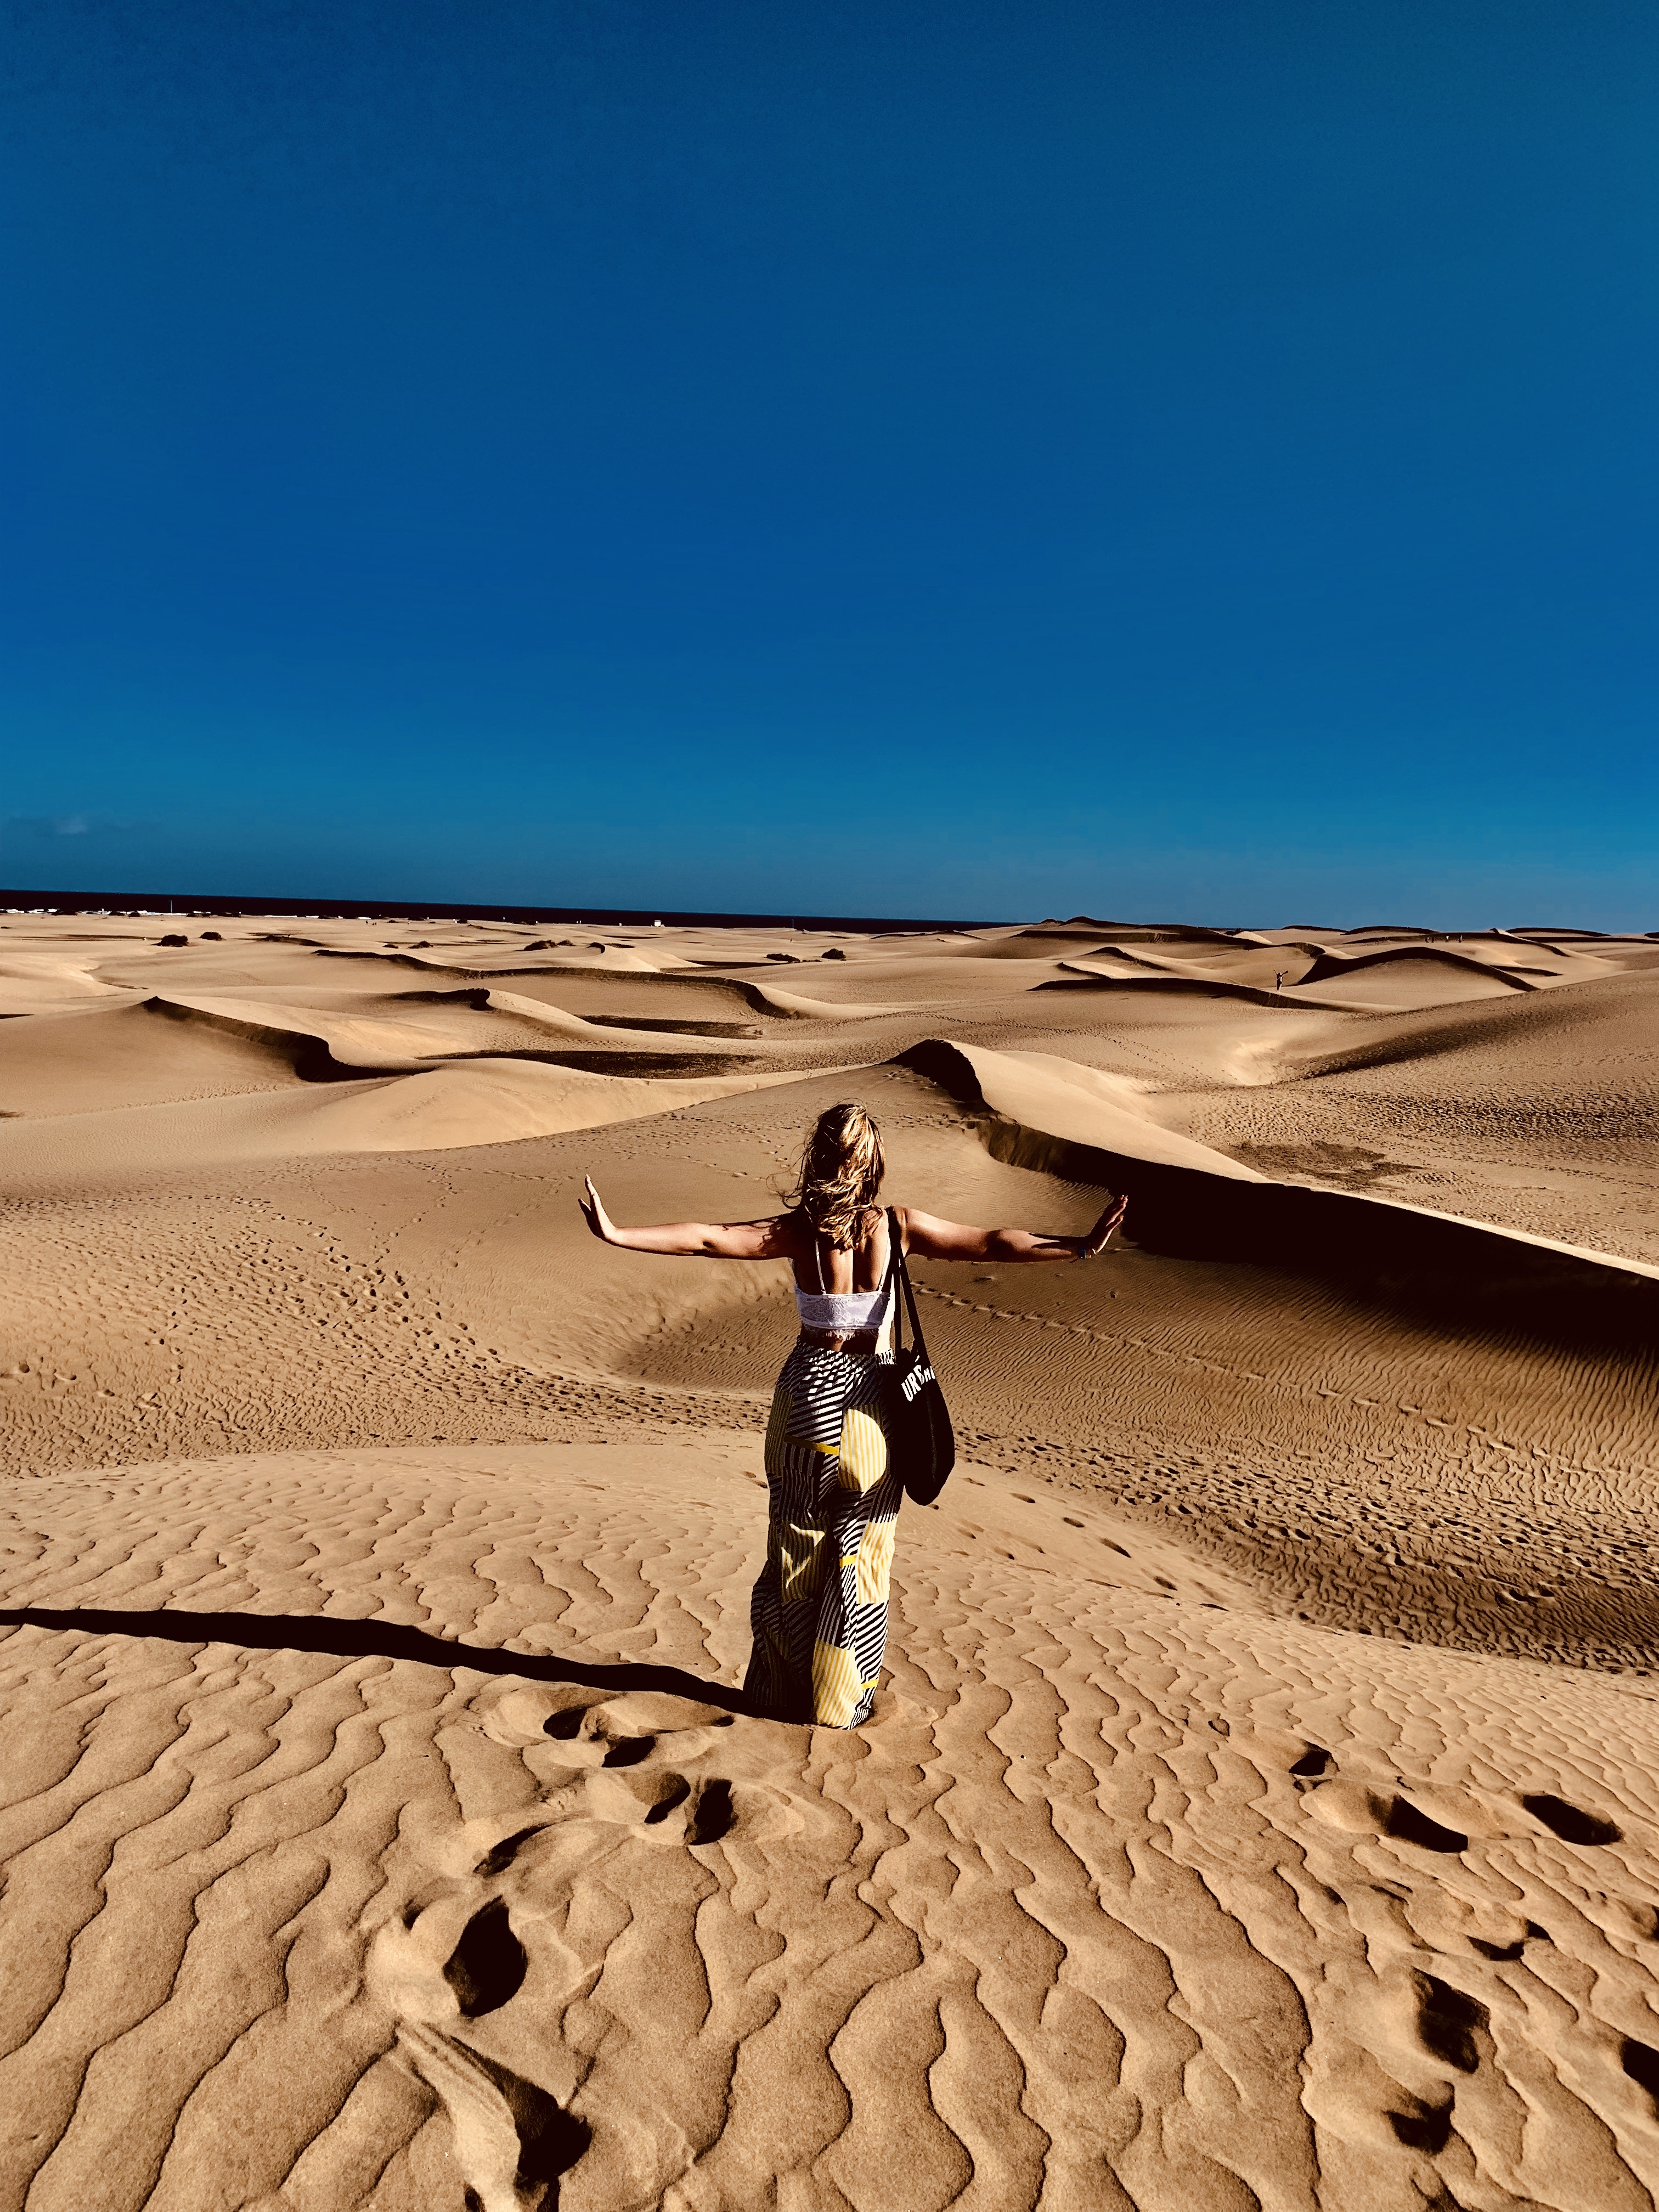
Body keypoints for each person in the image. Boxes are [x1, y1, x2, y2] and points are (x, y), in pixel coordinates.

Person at [579, 1101, 1127, 1728]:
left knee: (795, 1547)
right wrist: (1080, 1246)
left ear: (818, 1159)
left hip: (806, 1400)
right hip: (872, 1407)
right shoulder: (897, 1227)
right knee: (860, 1553)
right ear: (875, 1162)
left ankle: (774, 1695)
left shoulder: (794, 1231)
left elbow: (708, 1236)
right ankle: (839, 1701)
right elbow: (993, 1243)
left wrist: (620, 1234)